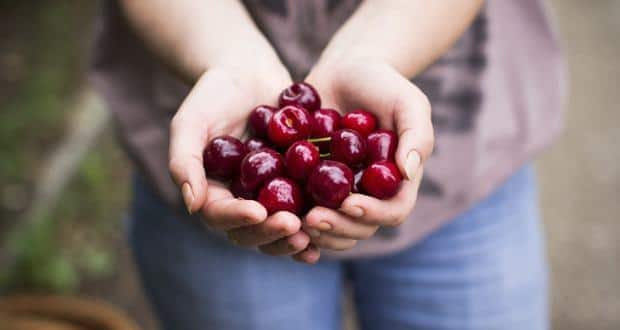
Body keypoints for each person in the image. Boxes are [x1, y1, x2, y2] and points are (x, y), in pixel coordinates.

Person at [91, 1, 565, 329]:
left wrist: (371, 55)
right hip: (207, 186)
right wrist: (229, 58)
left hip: (464, 167)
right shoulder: (282, 144)